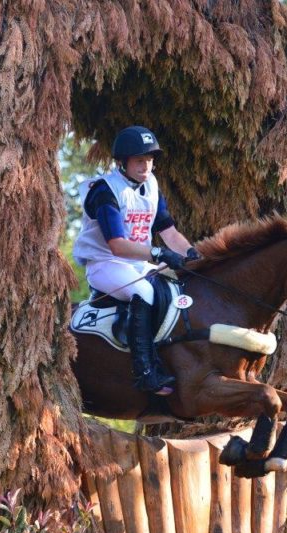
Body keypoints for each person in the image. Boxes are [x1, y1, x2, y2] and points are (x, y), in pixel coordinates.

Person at [72, 126, 198, 395]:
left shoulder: (151, 185)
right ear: (123, 162)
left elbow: (169, 232)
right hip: (105, 264)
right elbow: (117, 245)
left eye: (150, 160)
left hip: (137, 263)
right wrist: (157, 253)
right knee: (145, 292)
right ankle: (145, 373)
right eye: (140, 160)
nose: (146, 166)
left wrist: (193, 255)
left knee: (183, 285)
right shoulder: (105, 191)